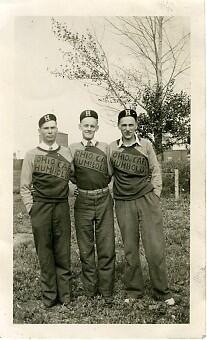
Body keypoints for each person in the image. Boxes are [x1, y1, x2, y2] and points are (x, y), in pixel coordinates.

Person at [108, 109, 175, 306]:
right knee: (130, 247)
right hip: (123, 201)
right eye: (124, 125)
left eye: (131, 124)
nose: (127, 129)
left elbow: (155, 170)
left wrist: (155, 194)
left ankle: (162, 291)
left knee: (154, 247)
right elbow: (108, 174)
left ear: (136, 126)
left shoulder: (145, 145)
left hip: (146, 199)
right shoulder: (112, 148)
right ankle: (134, 290)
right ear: (119, 126)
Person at [20, 114, 73, 308]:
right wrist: (31, 209)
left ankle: (65, 295)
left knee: (63, 249)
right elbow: (24, 186)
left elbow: (73, 176)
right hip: (41, 206)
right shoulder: (31, 154)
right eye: (46, 128)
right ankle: (50, 296)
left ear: (57, 129)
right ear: (40, 131)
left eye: (53, 127)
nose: (50, 131)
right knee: (45, 251)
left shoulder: (66, 152)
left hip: (61, 205)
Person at [69, 110, 115, 304]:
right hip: (83, 202)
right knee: (86, 246)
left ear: (97, 128)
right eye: (85, 125)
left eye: (92, 125)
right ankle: (90, 289)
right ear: (80, 127)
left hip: (103, 199)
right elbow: (66, 173)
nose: (89, 128)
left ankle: (106, 290)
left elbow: (113, 172)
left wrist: (110, 188)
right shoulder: (71, 148)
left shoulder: (105, 147)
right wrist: (71, 187)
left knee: (106, 244)